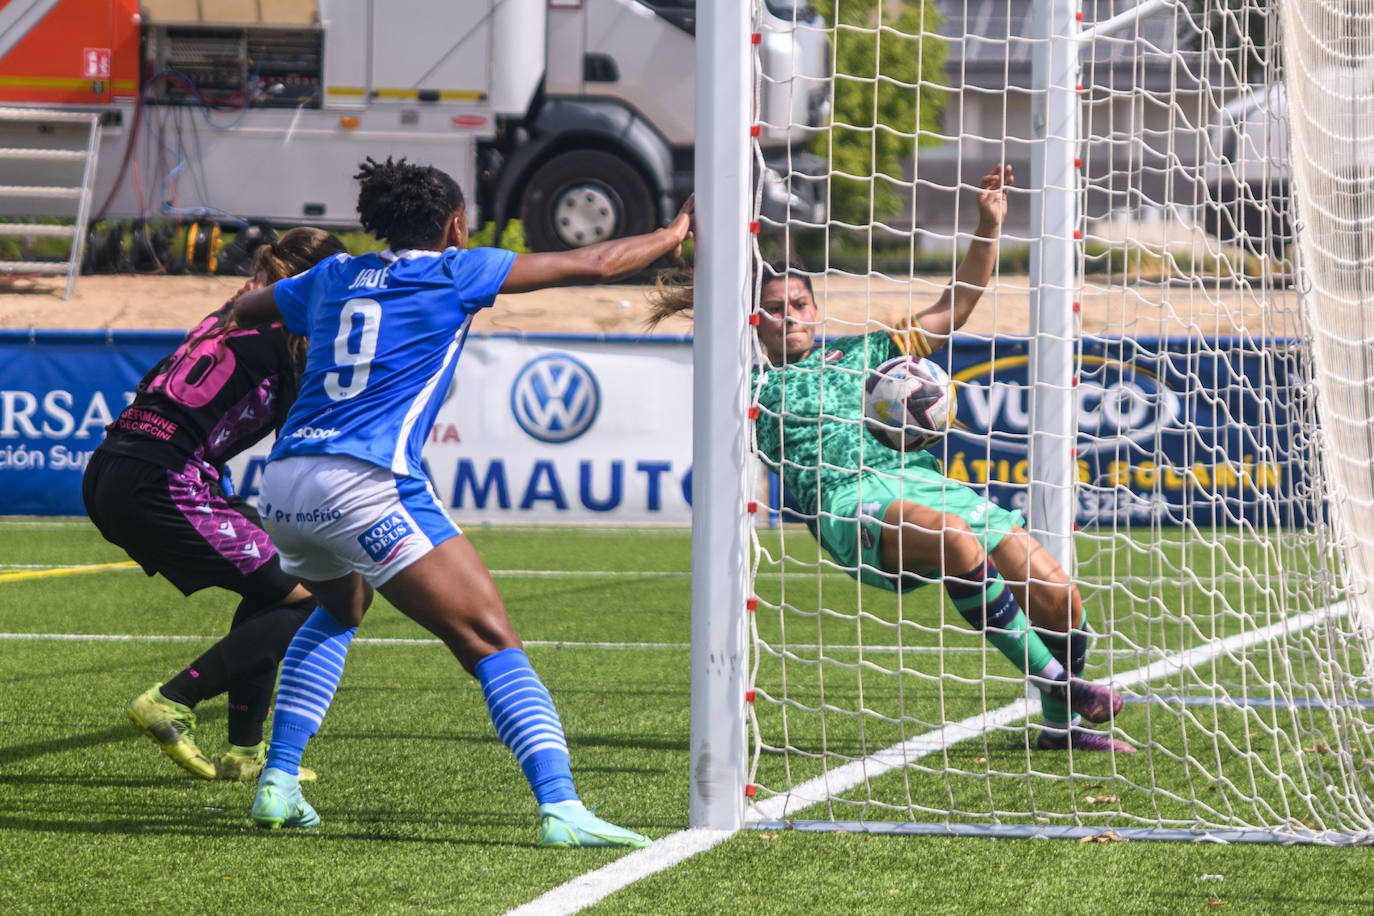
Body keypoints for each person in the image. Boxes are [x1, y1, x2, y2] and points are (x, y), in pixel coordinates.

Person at [231, 156, 692, 845]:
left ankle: (278, 779)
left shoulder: (334, 274)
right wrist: (674, 231)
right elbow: (594, 263)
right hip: (366, 480)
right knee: (488, 638)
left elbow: (247, 308)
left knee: (341, 606)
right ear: (454, 226)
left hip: (285, 479)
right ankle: (562, 808)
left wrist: (295, 293)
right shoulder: (456, 269)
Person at [648, 164, 1133, 753]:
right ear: (754, 317)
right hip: (851, 502)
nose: (789, 315)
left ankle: (1061, 725)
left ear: (815, 309)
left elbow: (954, 307)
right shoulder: (748, 384)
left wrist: (987, 226)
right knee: (956, 541)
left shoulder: (872, 352)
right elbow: (718, 313)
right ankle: (1058, 682)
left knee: (1059, 596)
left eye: (799, 303)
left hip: (926, 484)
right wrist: (708, 243)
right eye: (774, 308)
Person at [82, 227, 350, 780]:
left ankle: (244, 752)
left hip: (114, 463)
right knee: (312, 601)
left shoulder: (227, 313)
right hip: (162, 481)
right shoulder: (294, 334)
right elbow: (298, 443)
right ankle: (174, 698)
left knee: (277, 582)